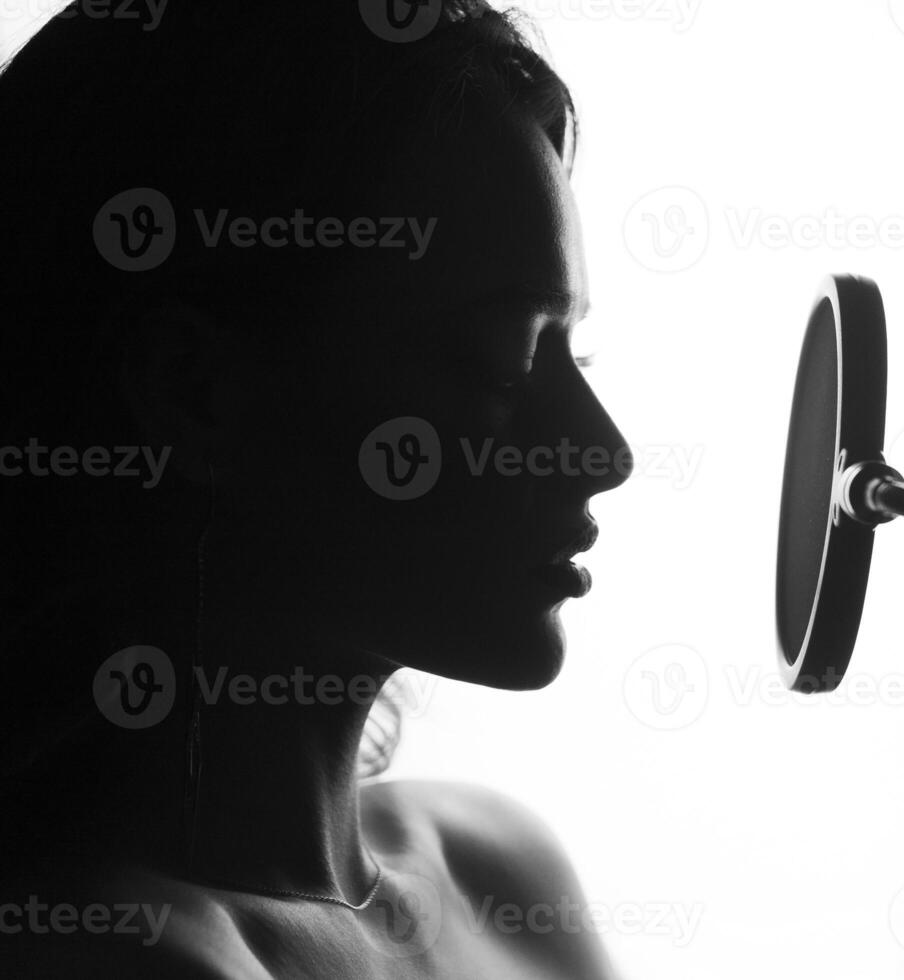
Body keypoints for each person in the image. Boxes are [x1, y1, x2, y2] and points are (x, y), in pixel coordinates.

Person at [0, 2, 629, 976]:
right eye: (502, 359)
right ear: (195, 391)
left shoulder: (500, 867)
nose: (601, 449)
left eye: (573, 349)